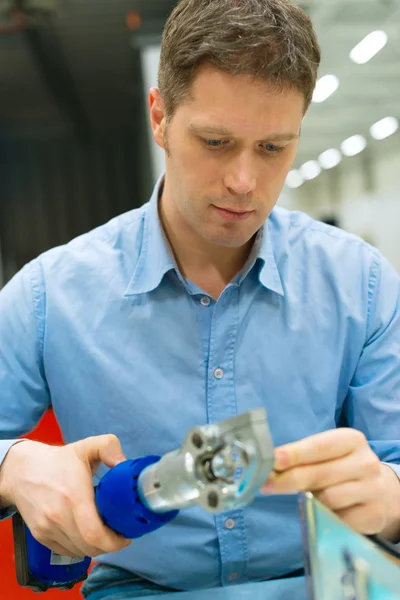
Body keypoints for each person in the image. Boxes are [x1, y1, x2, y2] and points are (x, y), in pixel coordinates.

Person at [1, 0, 400, 597]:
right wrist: (12, 467)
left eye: (273, 149)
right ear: (159, 116)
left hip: (329, 584)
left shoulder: (361, 284)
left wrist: (392, 501)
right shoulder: (48, 295)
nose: (244, 181)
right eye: (216, 142)